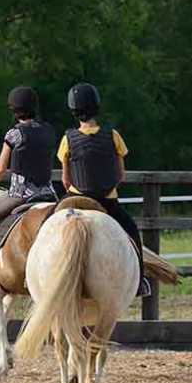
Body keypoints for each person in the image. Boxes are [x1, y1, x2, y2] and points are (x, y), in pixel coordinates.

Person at [58, 81, 151, 297]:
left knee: (44, 225)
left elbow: (65, 179)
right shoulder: (113, 135)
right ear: (97, 107)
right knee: (132, 231)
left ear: (73, 112)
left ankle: (28, 271)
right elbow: (120, 174)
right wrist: (108, 188)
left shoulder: (67, 139)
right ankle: (140, 281)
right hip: (108, 200)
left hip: (75, 197)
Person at [0, 87, 58, 284]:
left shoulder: (14, 133)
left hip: (21, 193)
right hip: (49, 193)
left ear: (14, 110)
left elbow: (0, 167)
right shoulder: (49, 131)